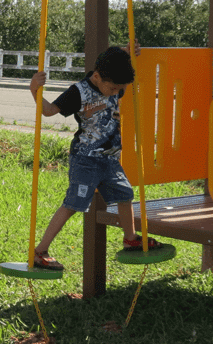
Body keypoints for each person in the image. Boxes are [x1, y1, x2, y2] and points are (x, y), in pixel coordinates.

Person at [29, 43, 163, 270]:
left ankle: (130, 238)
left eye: (118, 89)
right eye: (112, 89)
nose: (115, 93)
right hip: (86, 159)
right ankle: (40, 251)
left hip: (109, 158)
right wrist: (34, 90)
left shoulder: (113, 78)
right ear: (98, 76)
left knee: (125, 194)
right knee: (74, 204)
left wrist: (125, 52)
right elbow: (49, 110)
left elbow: (112, 61)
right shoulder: (78, 91)